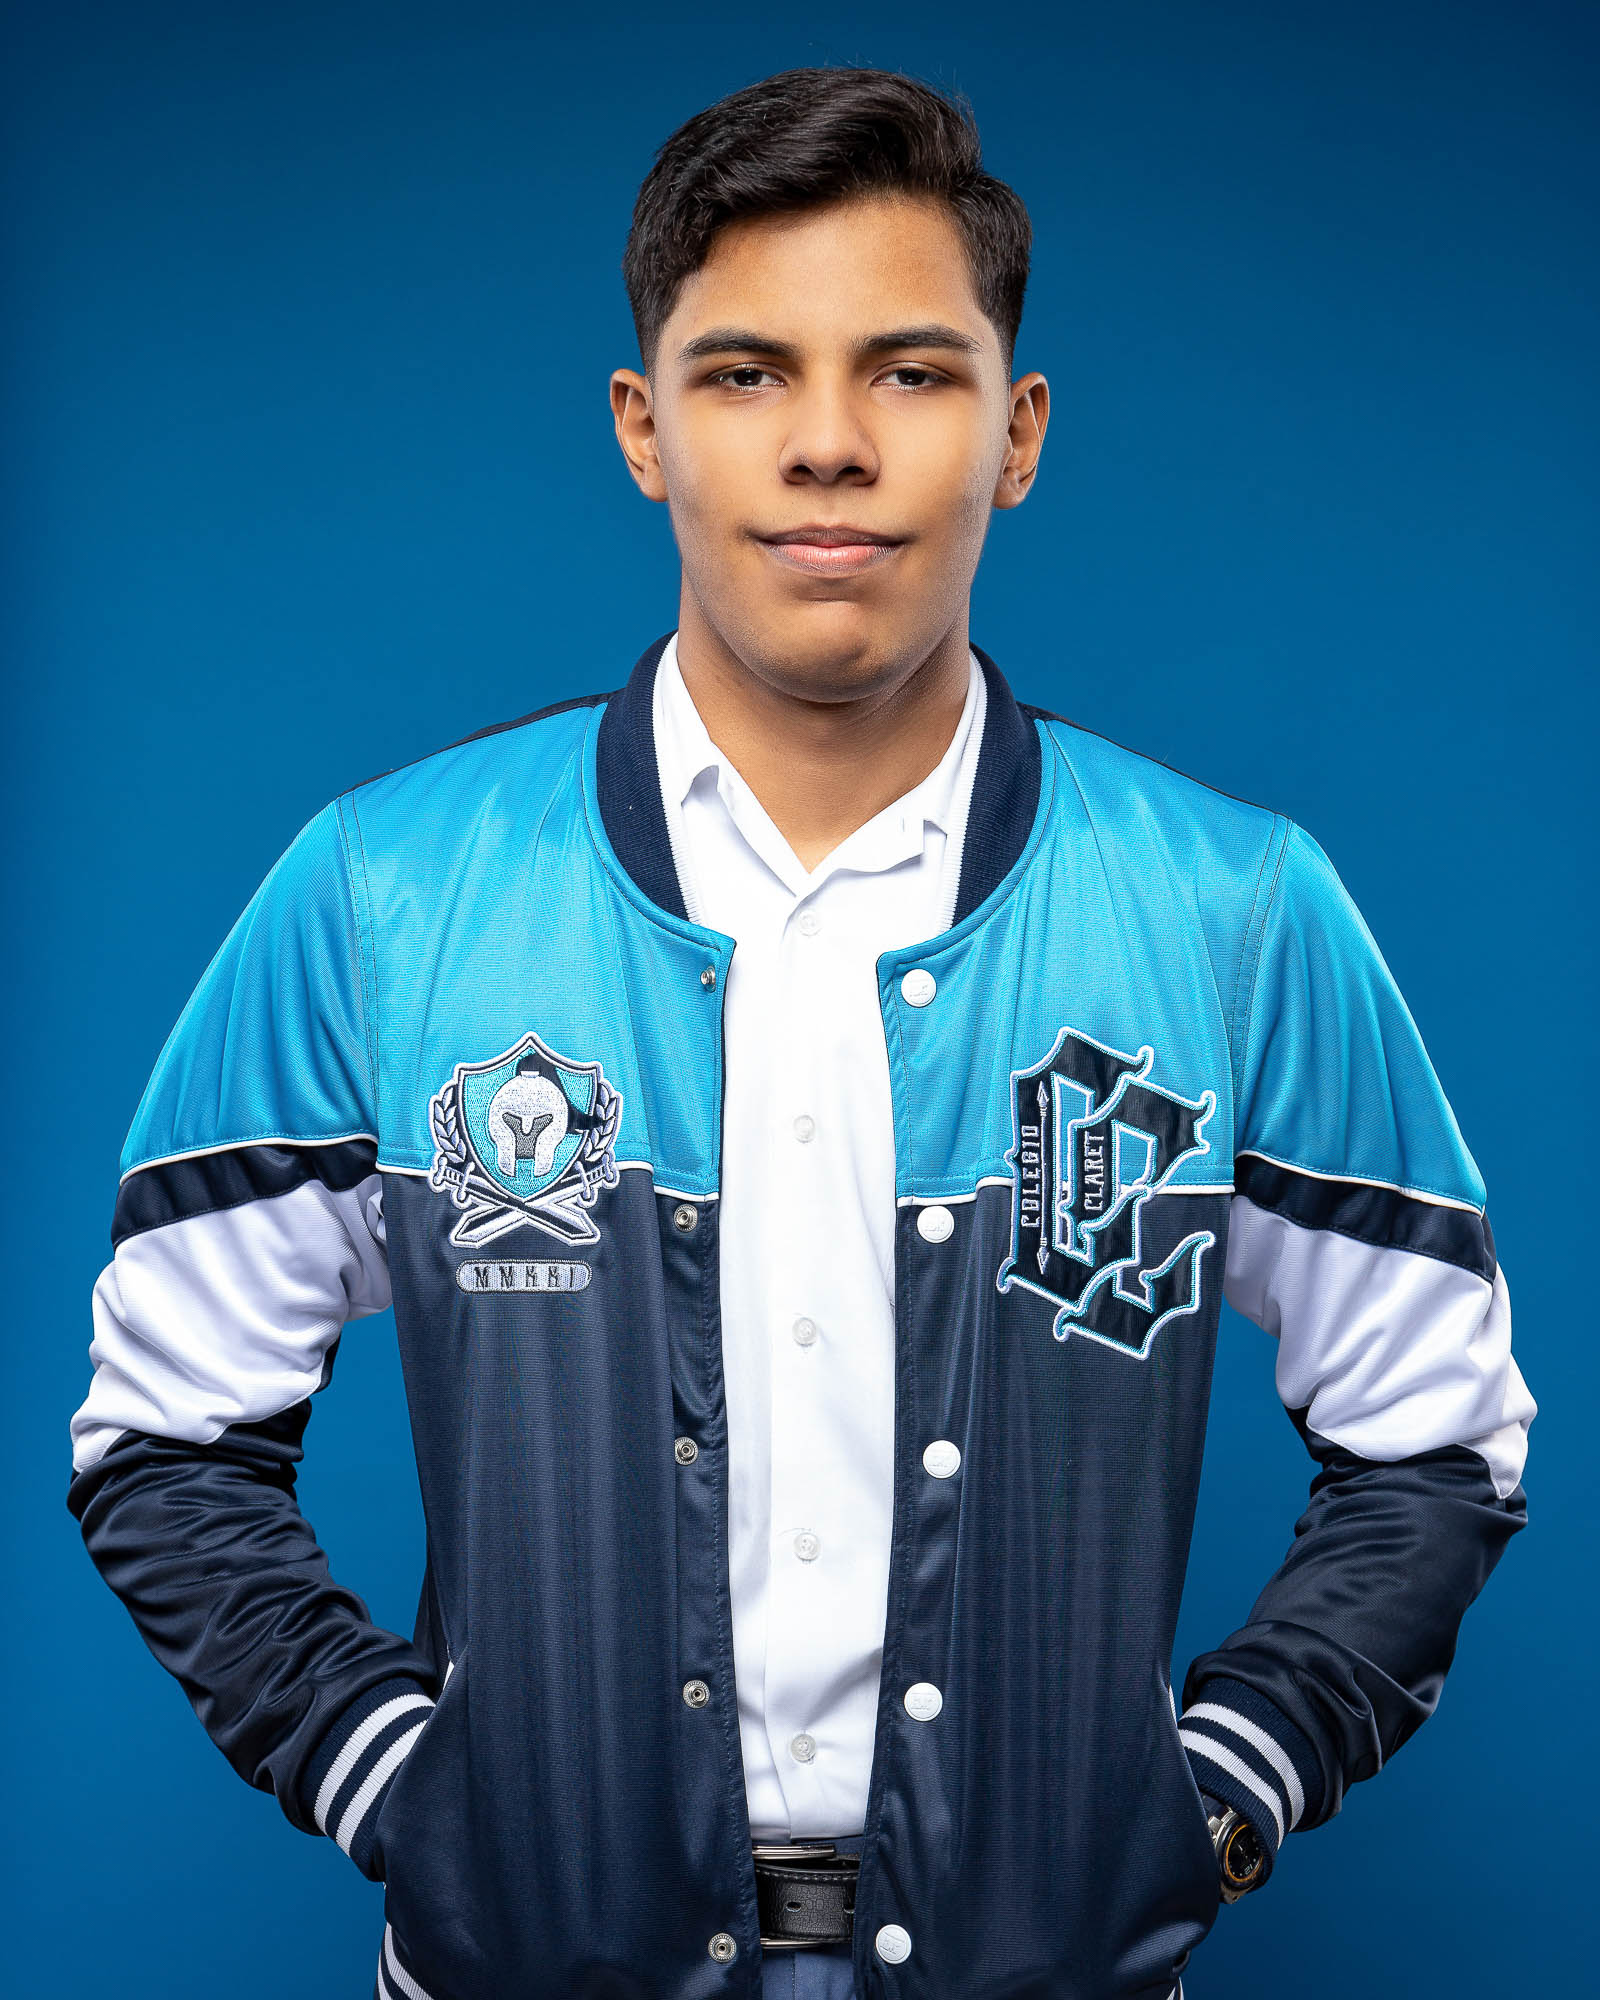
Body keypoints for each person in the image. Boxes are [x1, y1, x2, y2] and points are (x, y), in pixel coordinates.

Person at [67, 65, 1535, 2000]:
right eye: (747, 372)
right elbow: (162, 1437)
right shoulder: (385, 898)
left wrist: (1219, 1798)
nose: (829, 445)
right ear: (643, 427)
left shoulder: (1230, 910)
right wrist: (415, 1798)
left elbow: (1438, 1442)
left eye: (911, 374)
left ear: (1016, 433)